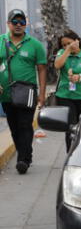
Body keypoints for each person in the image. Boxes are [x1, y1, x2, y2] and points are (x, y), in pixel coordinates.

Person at [0, 9, 47, 174]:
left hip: (28, 92)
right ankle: (26, 154)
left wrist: (41, 94)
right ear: (8, 24)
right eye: (15, 22)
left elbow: (42, 69)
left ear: (25, 24)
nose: (18, 25)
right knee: (14, 127)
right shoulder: (1, 41)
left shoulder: (34, 45)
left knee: (25, 124)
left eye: (21, 22)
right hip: (5, 94)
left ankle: (23, 160)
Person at [53, 30, 81, 151]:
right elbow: (57, 65)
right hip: (65, 96)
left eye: (69, 43)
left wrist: (80, 77)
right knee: (71, 128)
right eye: (64, 45)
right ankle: (70, 154)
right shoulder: (62, 53)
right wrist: (67, 50)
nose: (66, 46)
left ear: (77, 41)